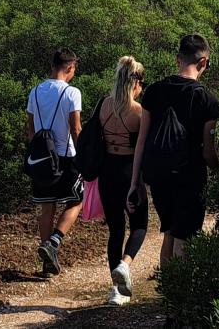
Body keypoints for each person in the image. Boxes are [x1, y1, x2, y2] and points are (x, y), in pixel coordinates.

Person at [129, 35, 219, 268]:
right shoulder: (207, 99)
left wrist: (134, 183)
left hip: (157, 174)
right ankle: (179, 296)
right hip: (189, 175)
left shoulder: (154, 92)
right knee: (185, 238)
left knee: (169, 231)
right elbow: (208, 151)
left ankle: (167, 292)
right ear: (204, 63)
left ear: (178, 59)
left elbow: (141, 140)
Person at [94, 56, 148, 306]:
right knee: (139, 225)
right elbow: (143, 149)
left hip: (107, 173)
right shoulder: (138, 112)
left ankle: (115, 291)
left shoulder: (104, 105)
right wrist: (138, 183)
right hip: (129, 172)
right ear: (135, 82)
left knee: (115, 230)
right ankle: (125, 266)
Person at [27, 48, 85, 277]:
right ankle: (53, 241)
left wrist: (36, 152)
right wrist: (83, 157)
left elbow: (30, 129)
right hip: (65, 156)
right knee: (76, 202)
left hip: (41, 157)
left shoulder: (35, 91)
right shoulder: (72, 93)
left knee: (47, 207)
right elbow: (76, 128)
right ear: (70, 67)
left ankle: (47, 264)